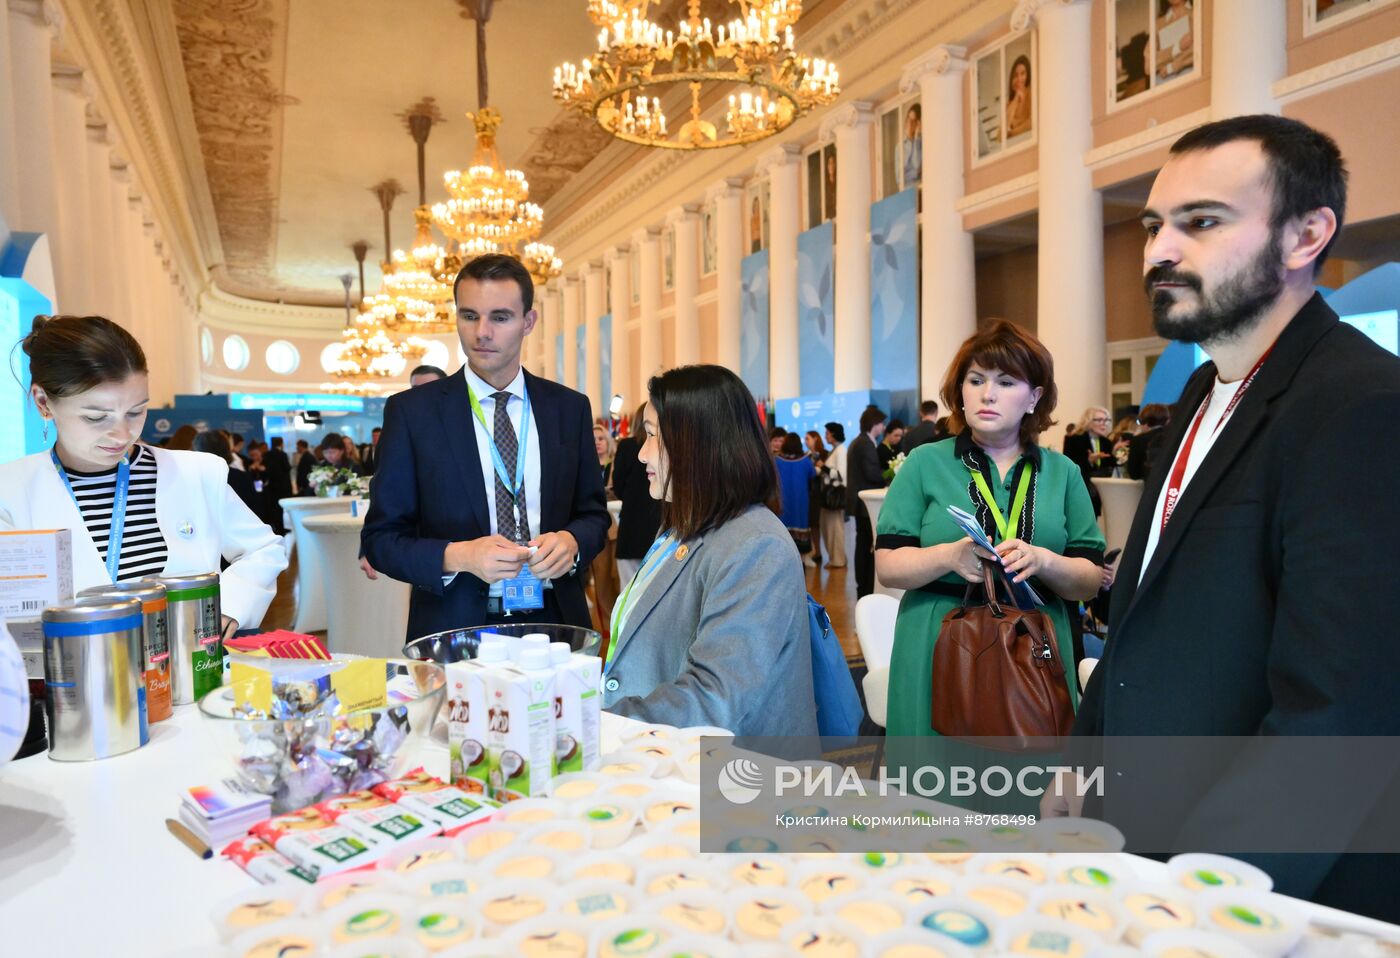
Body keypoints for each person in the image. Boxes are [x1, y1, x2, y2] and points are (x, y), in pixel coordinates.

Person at [1054, 115, 1400, 922]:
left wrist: (1203, 901)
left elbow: (1339, 714)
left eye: (1202, 222)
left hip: (1260, 891)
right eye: (1153, 226)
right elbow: (1142, 612)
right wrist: (1082, 762)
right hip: (1141, 841)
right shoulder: (1201, 395)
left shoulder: (1362, 405)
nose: (1159, 252)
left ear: (1305, 234)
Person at [874, 320, 1105, 738]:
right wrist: (947, 556)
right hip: (939, 641)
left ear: (1034, 397)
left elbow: (1089, 579)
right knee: (936, 789)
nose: (987, 393)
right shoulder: (924, 463)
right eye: (975, 379)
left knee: (1031, 786)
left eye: (1006, 381)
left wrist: (1045, 561)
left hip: (1037, 644)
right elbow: (888, 566)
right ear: (959, 391)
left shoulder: (1063, 472)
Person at [362, 254, 610, 638]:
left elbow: (594, 515)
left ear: (528, 322)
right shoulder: (413, 413)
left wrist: (572, 541)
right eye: (469, 316)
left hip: (556, 621)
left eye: (500, 317)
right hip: (455, 626)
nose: (481, 333)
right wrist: (459, 556)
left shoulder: (568, 408)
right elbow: (381, 541)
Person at [0, 316, 286, 637]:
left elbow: (264, 549)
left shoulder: (197, 474)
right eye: (96, 416)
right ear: (43, 402)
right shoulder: (10, 492)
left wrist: (228, 606)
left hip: (189, 671)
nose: (122, 433)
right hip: (78, 676)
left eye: (136, 411)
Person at [602, 365, 817, 736]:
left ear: (695, 444)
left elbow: (714, 697)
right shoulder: (682, 527)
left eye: (652, 436)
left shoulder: (756, 546)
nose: (642, 455)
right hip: (670, 764)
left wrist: (597, 722)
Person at [611, 404, 663, 583]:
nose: (643, 456)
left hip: (632, 529)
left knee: (629, 591)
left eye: (653, 433)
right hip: (657, 524)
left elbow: (618, 485)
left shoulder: (627, 446)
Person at [846, 406, 887, 598]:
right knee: (864, 545)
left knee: (862, 543)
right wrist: (890, 476)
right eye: (880, 423)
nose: (882, 427)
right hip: (863, 505)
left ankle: (863, 585)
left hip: (858, 503)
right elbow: (872, 473)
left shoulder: (859, 442)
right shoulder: (865, 443)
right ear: (874, 424)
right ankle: (864, 585)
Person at [587, 423, 621, 635]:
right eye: (593, 439)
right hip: (591, 532)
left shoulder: (614, 466)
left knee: (612, 580)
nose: (597, 442)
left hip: (613, 530)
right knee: (597, 584)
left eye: (601, 438)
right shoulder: (587, 466)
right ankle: (602, 630)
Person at [775, 432, 817, 568]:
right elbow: (813, 475)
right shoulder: (805, 461)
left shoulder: (777, 461)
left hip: (783, 503)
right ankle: (802, 562)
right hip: (801, 503)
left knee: (783, 532)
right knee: (801, 530)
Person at [820, 422, 848, 568]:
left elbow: (840, 475)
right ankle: (836, 558)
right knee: (829, 529)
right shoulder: (835, 450)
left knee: (835, 530)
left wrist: (822, 467)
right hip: (829, 496)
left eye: (827, 433)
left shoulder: (841, 450)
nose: (825, 436)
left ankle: (838, 560)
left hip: (834, 497)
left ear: (833, 434)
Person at [1125, 403, 1170, 480]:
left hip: (1150, 484)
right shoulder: (1173, 436)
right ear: (1166, 420)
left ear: (1144, 422)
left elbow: (1134, 474)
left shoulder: (1138, 440)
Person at [1156, 0, 1193, 80]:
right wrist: (1177, 47)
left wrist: (1171, 67)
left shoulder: (1196, 12)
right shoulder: (1159, 24)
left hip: (1190, 76)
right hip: (1164, 80)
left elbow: (1199, 50)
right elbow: (1148, 64)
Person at [1007, 54, 1033, 140]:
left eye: (1022, 74)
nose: (1019, 78)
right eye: (1016, 75)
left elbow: (1031, 122)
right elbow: (1000, 135)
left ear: (1028, 75)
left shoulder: (1030, 92)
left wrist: (1011, 134)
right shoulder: (1010, 104)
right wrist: (1015, 99)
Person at [901, 102, 922, 188]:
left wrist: (916, 139)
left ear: (918, 124)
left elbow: (917, 165)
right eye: (908, 119)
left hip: (919, 190)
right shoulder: (899, 147)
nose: (909, 124)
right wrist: (916, 173)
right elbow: (900, 177)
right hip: (905, 192)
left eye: (913, 121)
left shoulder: (921, 143)